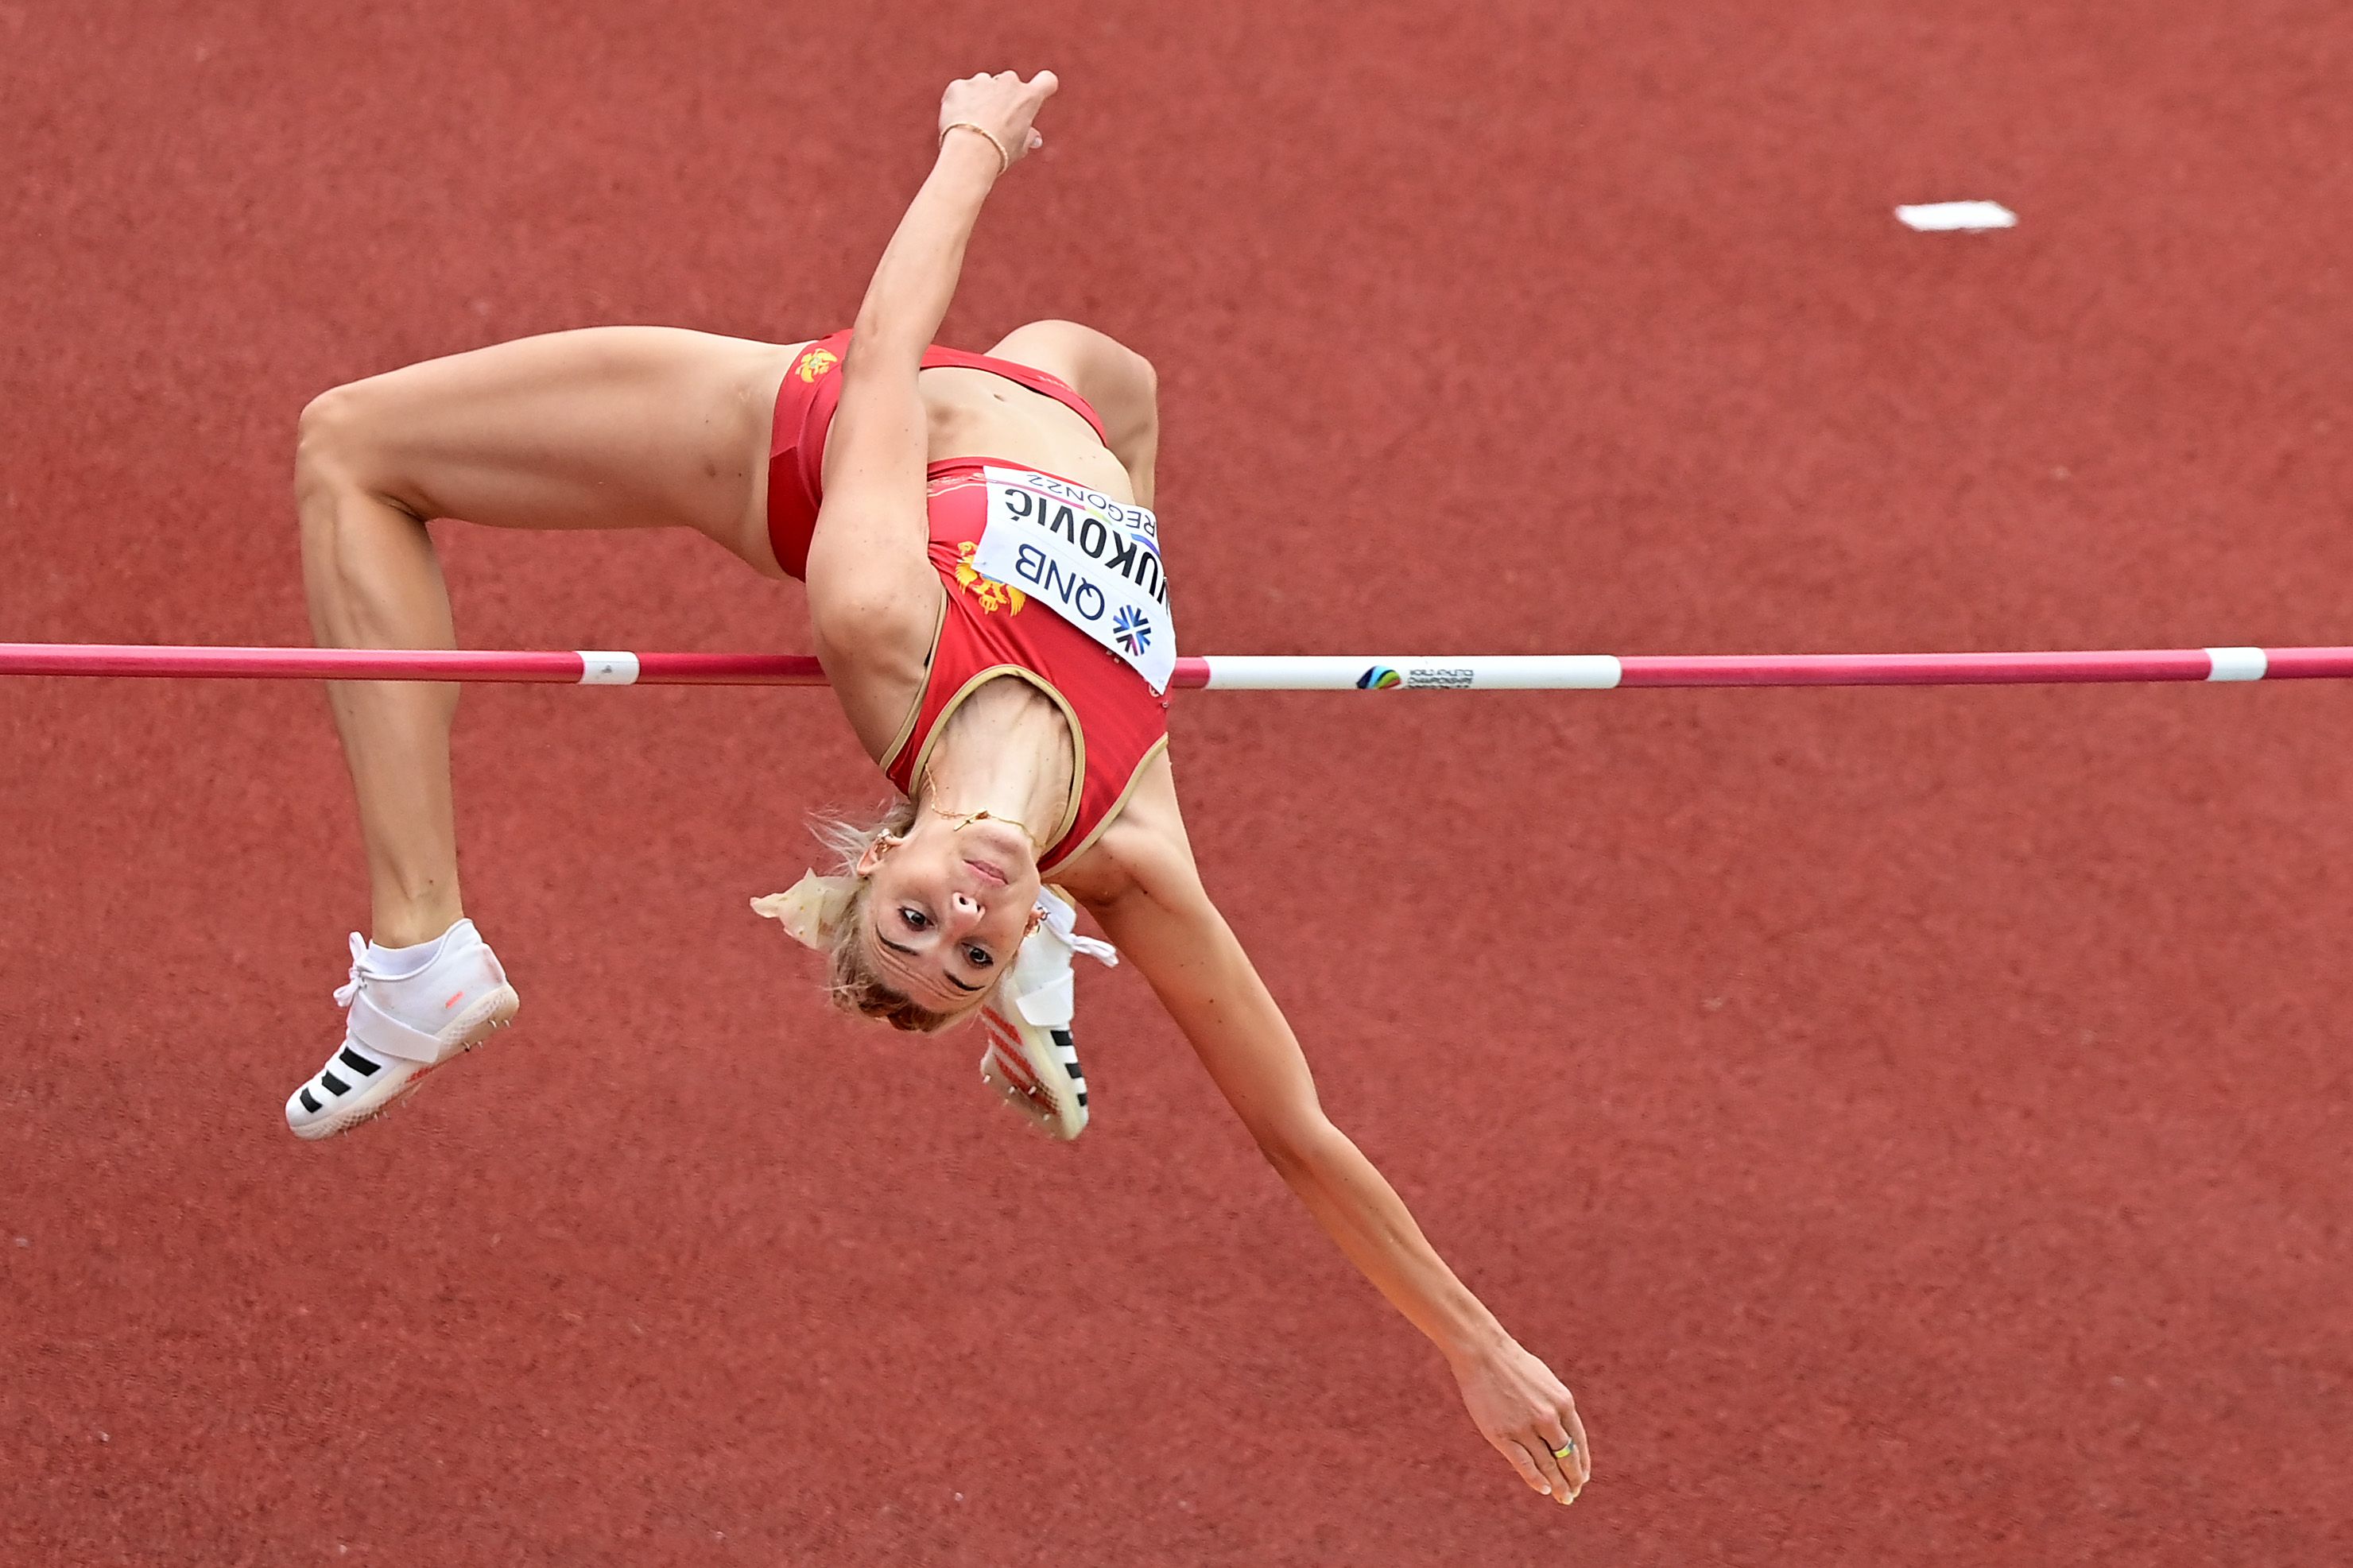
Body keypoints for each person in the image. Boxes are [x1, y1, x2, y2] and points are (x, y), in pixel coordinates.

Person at [284, 68, 1591, 1504]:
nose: (957, 915)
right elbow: (1295, 1130)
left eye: (914, 925)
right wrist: (1475, 1342)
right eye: (977, 951)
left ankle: (423, 944)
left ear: (881, 856)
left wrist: (973, 142)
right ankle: (1040, 991)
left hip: (813, 439)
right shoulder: (1135, 845)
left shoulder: (879, 629)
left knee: (353, 444)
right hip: (1059, 404)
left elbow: (890, 354)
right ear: (1025, 929)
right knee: (1115, 374)